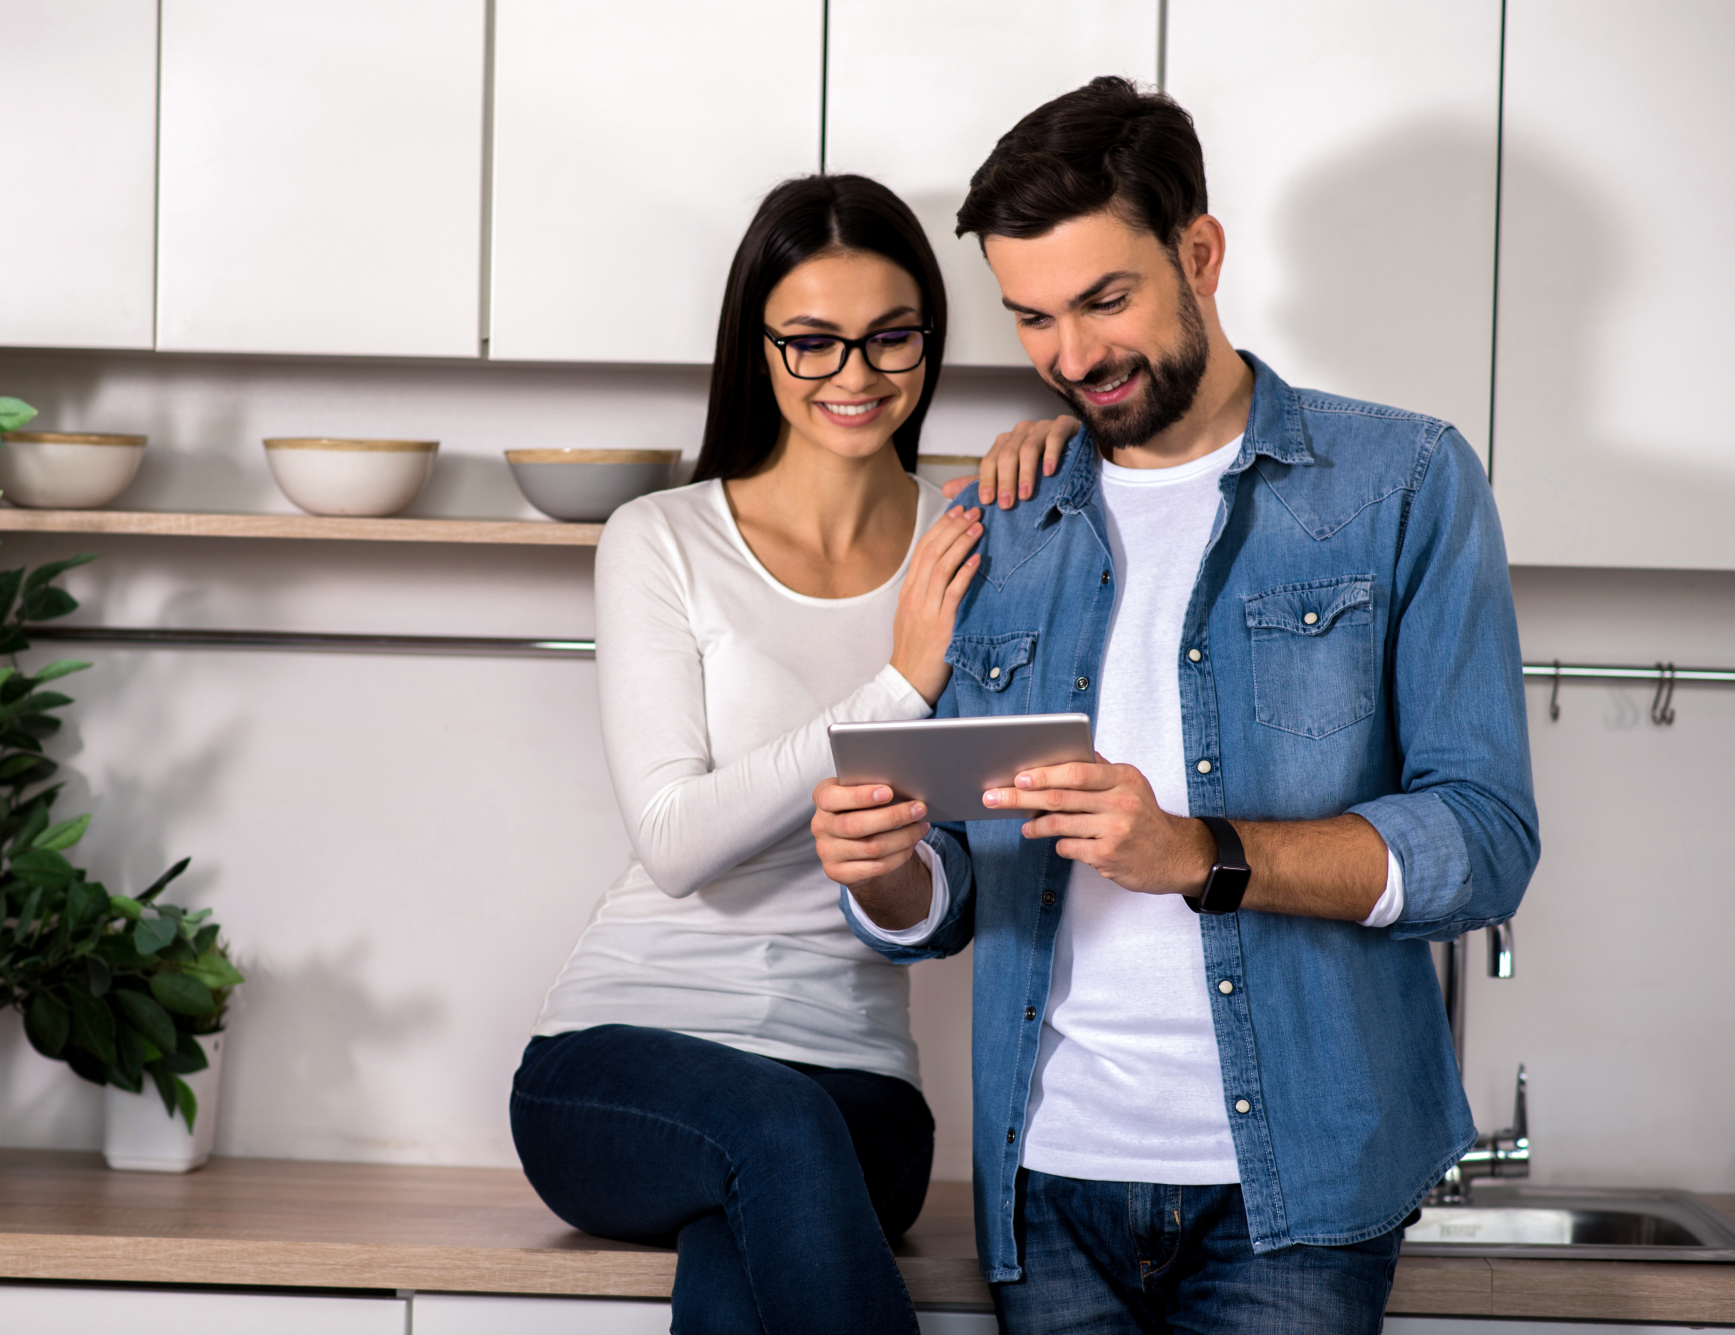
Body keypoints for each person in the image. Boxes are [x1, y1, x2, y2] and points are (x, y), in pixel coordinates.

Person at [812, 77, 1540, 1334]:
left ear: (1198, 253)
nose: (1072, 358)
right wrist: (882, 871)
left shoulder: (1402, 481)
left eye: (1105, 300)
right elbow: (951, 893)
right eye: (1031, 319)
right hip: (1043, 1187)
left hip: (1298, 1195)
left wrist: (1194, 856)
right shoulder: (999, 520)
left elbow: (1480, 843)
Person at [511, 174, 986, 1335]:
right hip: (624, 1065)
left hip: (856, 1088)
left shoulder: (974, 543)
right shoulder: (661, 538)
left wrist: (898, 876)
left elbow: (962, 881)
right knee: (766, 1141)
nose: (854, 376)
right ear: (758, 348)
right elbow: (674, 846)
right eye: (812, 342)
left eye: (889, 338)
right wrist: (895, 684)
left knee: (750, 1228)